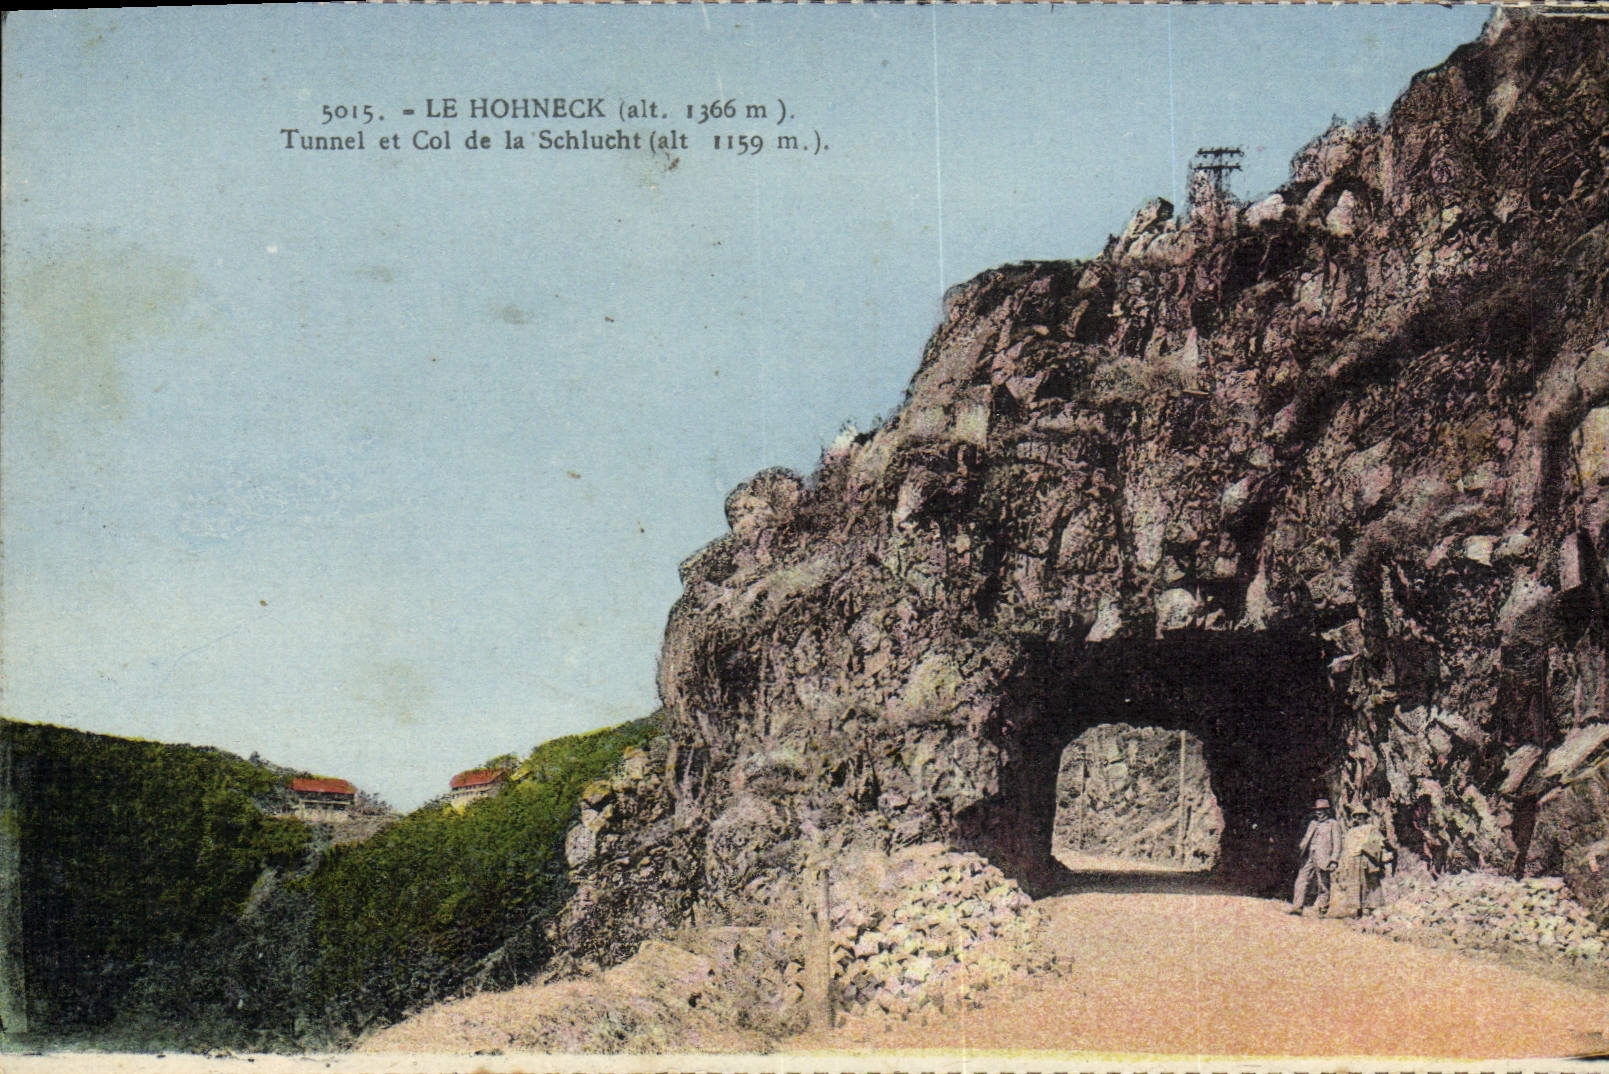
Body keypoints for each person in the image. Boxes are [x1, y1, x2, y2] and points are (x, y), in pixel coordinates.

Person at [1329, 806, 1392, 918]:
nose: (1358, 818)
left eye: (1361, 816)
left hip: (1366, 858)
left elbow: (1380, 842)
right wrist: (1345, 862)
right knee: (1355, 884)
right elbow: (1347, 847)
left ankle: (1369, 908)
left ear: (1365, 817)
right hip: (1354, 859)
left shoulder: (1371, 828)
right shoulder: (1351, 831)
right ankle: (1358, 909)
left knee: (1368, 883)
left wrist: (1378, 852)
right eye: (1356, 816)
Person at [1287, 798, 1343, 915]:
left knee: (1323, 883)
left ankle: (1322, 909)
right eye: (1317, 810)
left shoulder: (1333, 824)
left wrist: (1334, 860)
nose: (1319, 812)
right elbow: (1306, 839)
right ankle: (1297, 907)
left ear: (1327, 811)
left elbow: (1337, 844)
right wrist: (1299, 850)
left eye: (1322, 810)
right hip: (1309, 856)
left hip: (1323, 857)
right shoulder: (1313, 824)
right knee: (1301, 880)